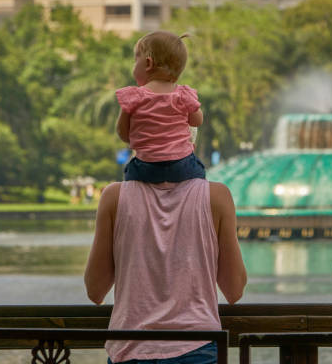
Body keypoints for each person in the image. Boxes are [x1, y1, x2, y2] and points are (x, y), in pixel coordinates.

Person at [84, 178, 247, 363]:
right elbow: (235, 290)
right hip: (197, 346)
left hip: (132, 347)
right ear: (189, 148)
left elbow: (95, 291)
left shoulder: (114, 196)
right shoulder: (217, 196)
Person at [116, 30, 205, 183]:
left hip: (146, 167)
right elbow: (197, 121)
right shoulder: (183, 95)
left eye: (135, 60)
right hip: (182, 165)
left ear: (148, 64)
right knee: (199, 170)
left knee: (129, 172)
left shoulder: (134, 97)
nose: (134, 65)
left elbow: (123, 133)